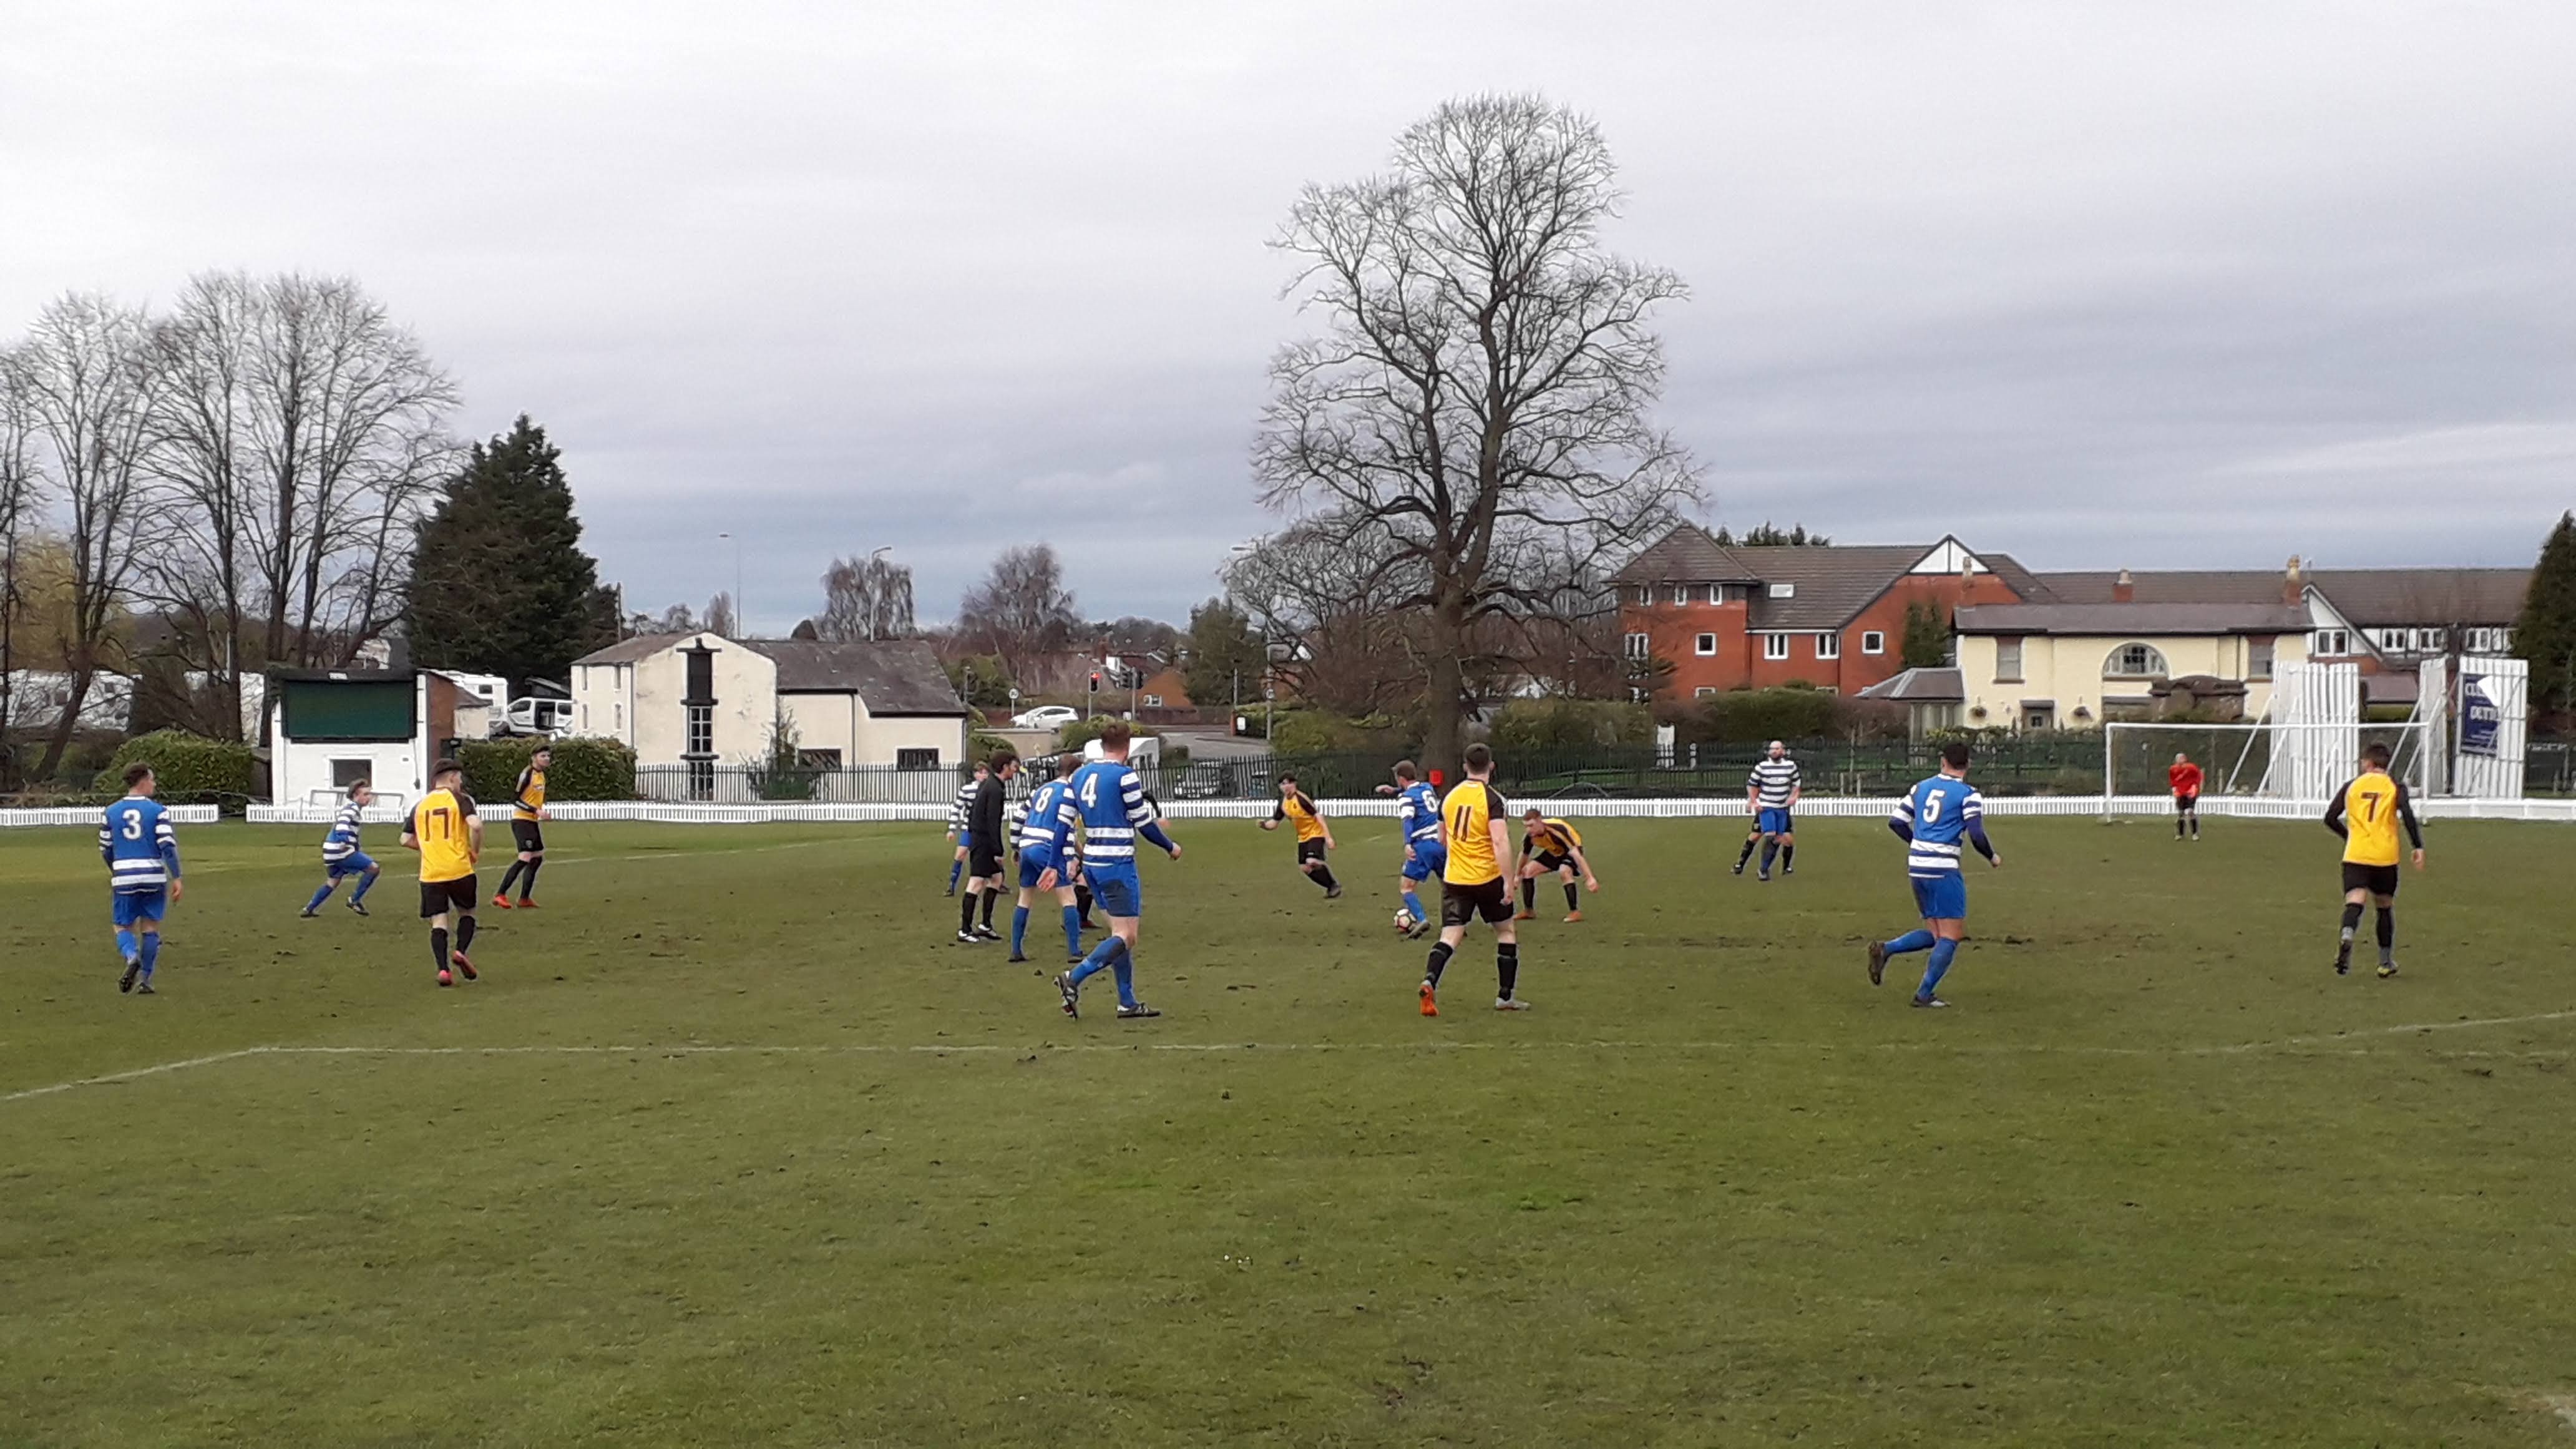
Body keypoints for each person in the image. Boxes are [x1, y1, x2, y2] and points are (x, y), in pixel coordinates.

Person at [1055, 722, 1181, 1020]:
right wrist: (1170, 846)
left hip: (1092, 865)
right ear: (1127, 746)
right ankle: (1073, 977)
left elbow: (1063, 823)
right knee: (1127, 936)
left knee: (1118, 933)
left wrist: (1052, 862)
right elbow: (1144, 823)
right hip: (1117, 865)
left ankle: (1127, 1002)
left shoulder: (1079, 775)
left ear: (1102, 745)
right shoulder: (1125, 776)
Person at [1867, 740, 2001, 1010]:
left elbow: (1896, 822)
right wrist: (1992, 857)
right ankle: (1924, 994)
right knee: (1951, 935)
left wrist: (1918, 843)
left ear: (1943, 761)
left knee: (1935, 932)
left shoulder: (1921, 788)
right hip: (1943, 869)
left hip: (1917, 866)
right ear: (1968, 764)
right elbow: (1976, 833)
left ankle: (1887, 949)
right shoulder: (1968, 794)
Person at [1419, 743, 1529, 1017]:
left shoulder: (1449, 797)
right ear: (1491, 766)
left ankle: (1430, 980)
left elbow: (1442, 839)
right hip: (1487, 877)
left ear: (1465, 766)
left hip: (1456, 878)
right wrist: (1508, 880)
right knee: (1505, 931)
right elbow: (1500, 841)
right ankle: (1505, 997)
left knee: (1451, 935)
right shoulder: (1493, 799)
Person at [2323, 742, 2424, 978]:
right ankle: (2385, 962)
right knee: (2384, 907)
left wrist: (2349, 836)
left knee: (2355, 902)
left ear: (2368, 763)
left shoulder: (2352, 786)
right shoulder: (2395, 786)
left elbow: (2330, 817)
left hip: (2356, 854)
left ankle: (2347, 933)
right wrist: (2417, 846)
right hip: (2385, 857)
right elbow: (2408, 815)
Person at [100, 763, 183, 994]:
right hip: (153, 875)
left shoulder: (111, 812)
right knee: (150, 928)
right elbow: (167, 846)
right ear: (144, 781)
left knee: (121, 926)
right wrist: (177, 876)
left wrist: (116, 869)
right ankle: (145, 980)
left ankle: (131, 956)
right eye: (152, 780)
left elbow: (105, 848)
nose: (154, 784)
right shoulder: (158, 811)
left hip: (124, 876)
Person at [402, 758, 484, 987]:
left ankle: (443, 970)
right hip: (459, 868)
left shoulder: (420, 805)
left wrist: (429, 848)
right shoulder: (460, 799)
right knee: (467, 912)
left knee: (439, 921)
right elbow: (476, 825)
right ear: (452, 777)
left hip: (431, 872)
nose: (460, 783)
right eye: (459, 778)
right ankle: (460, 951)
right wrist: (474, 851)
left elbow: (405, 839)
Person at [1010, 754, 1085, 964]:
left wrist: (1016, 846)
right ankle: (1074, 951)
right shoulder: (1070, 792)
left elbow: (1017, 819)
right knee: (1068, 898)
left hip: (1027, 846)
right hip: (1048, 847)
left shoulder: (1040, 789)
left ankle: (1016, 950)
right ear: (1076, 772)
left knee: (1025, 898)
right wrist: (1070, 858)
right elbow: (1066, 829)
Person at [957, 752, 1017, 944]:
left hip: (979, 838)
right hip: (983, 842)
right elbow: (993, 822)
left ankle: (985, 925)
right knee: (976, 882)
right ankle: (965, 930)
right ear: (1005, 767)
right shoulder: (995, 789)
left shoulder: (988, 784)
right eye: (1013, 767)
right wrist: (997, 850)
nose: (1015, 771)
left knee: (997, 878)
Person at [301, 779, 382, 917]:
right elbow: (342, 824)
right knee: (373, 868)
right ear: (356, 795)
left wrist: (353, 845)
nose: (369, 797)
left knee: (333, 881)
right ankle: (354, 900)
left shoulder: (351, 809)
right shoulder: (352, 809)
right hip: (340, 851)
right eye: (366, 794)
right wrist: (344, 839)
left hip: (330, 852)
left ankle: (309, 909)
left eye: (369, 794)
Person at [1385, 760, 1443, 939]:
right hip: (1441, 844)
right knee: (1448, 887)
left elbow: (1408, 820)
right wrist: (1395, 791)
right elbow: (1414, 793)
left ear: (1401, 778)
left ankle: (1421, 919)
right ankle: (1455, 922)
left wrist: (1407, 843)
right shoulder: (1427, 787)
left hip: (1423, 846)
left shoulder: (1406, 798)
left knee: (1406, 888)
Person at [1262, 773, 1340, 897]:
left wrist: (1328, 837)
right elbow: (1274, 823)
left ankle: (1333, 885)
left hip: (1316, 833)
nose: (1286, 786)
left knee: (1311, 861)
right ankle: (1331, 886)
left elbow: (1318, 816)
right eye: (1283, 784)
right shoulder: (1283, 803)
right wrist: (1264, 825)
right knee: (1305, 868)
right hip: (1302, 837)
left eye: (1289, 783)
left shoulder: (1301, 799)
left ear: (1294, 784)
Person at [1735, 739, 1802, 880]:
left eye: (1777, 749)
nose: (1774, 751)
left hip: (1782, 808)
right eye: (1772, 749)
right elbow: (1752, 785)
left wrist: (1794, 796)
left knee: (1780, 839)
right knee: (1769, 836)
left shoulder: (1790, 766)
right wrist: (1753, 802)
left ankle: (1769, 868)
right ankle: (1757, 869)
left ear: (1783, 751)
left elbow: (1797, 783)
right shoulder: (1762, 767)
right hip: (1766, 807)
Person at [1516, 810, 1599, 922]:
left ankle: (1575, 912)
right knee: (1527, 871)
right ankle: (1529, 911)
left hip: (1571, 850)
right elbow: (1524, 854)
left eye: (1531, 825)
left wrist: (1590, 878)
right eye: (1526, 826)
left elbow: (1576, 854)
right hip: (1554, 851)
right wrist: (1517, 875)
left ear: (1540, 821)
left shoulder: (1557, 830)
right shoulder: (1530, 837)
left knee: (1564, 871)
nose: (1528, 830)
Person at [494, 746, 552, 907]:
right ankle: (500, 894)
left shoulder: (541, 775)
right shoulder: (527, 774)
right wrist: (536, 810)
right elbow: (515, 799)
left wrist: (538, 813)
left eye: (548, 756)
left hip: (532, 821)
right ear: (534, 758)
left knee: (537, 858)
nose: (547, 759)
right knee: (525, 857)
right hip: (521, 820)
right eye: (543, 756)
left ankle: (524, 898)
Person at [944, 761, 987, 895]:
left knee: (993, 857)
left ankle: (999, 884)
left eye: (986, 773)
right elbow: (957, 809)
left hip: (985, 830)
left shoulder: (991, 789)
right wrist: (952, 829)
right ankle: (952, 886)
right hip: (969, 828)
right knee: (960, 855)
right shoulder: (967, 790)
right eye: (980, 772)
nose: (983, 775)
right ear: (975, 774)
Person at [2169, 752, 2204, 841]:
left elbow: (2199, 776)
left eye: (2182, 758)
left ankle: (2195, 834)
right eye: (2178, 758)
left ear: (2185, 759)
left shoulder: (2191, 767)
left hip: (2190, 792)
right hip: (2180, 793)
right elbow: (2172, 781)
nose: (2180, 760)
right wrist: (2174, 789)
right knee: (2181, 813)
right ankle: (2180, 834)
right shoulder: (2173, 769)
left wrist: (2196, 787)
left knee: (2191, 812)